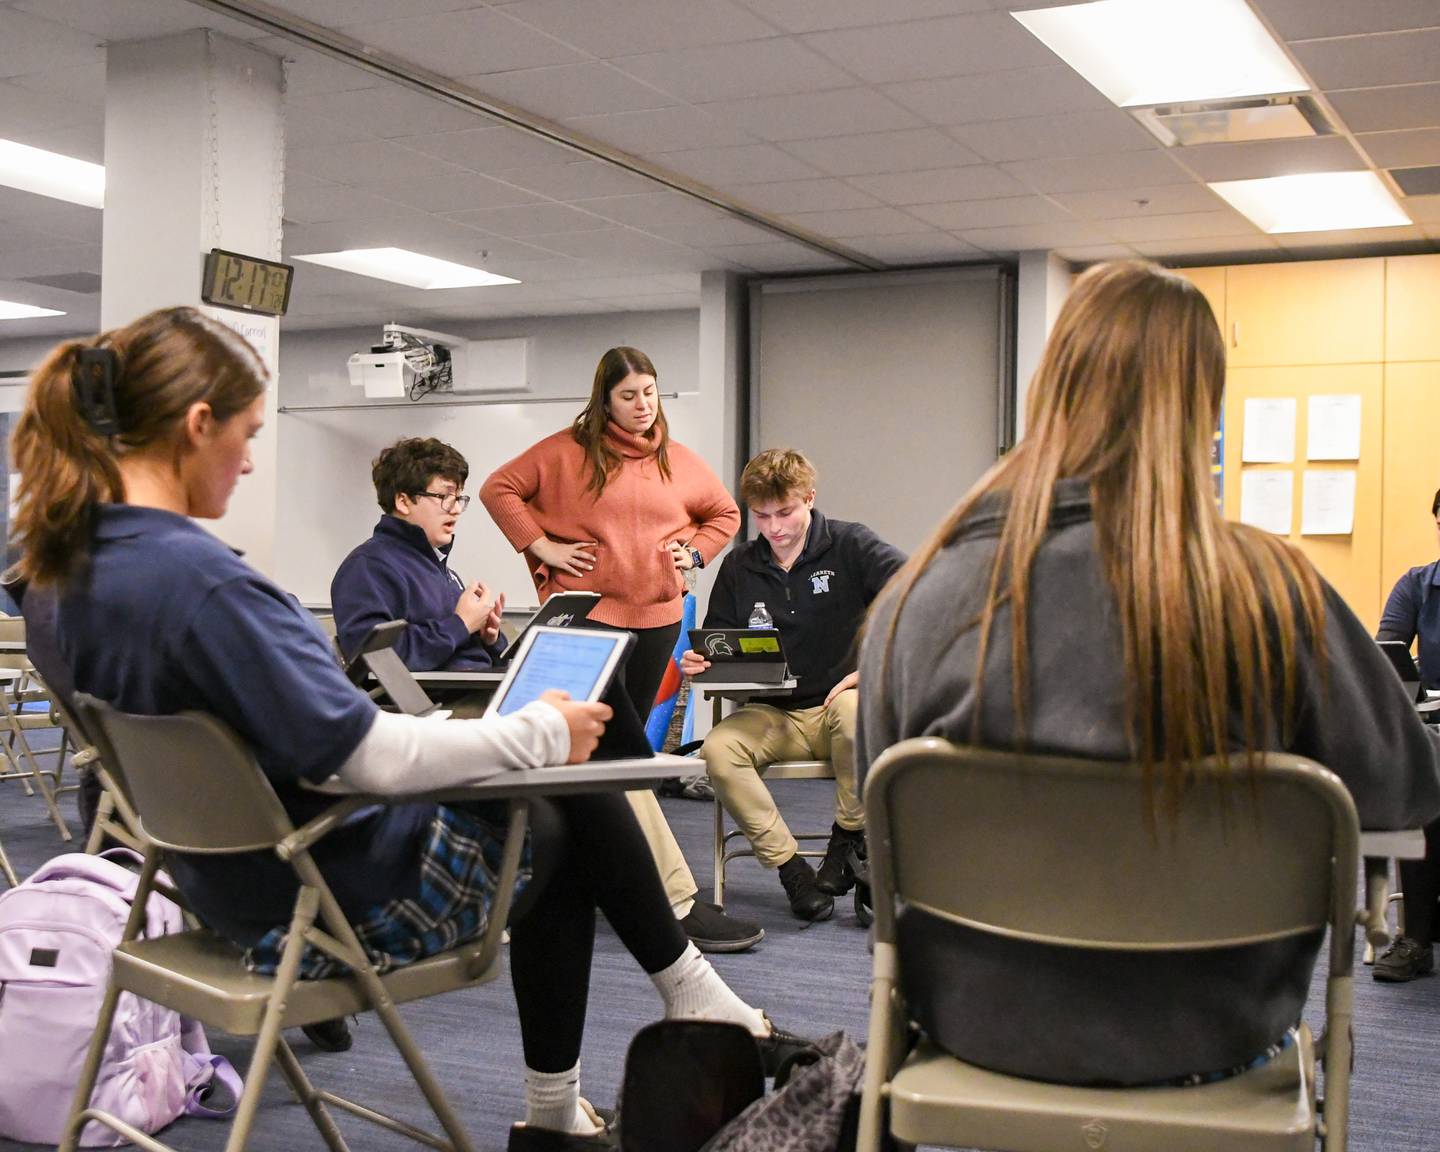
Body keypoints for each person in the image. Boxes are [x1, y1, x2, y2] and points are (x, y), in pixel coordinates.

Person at [11, 307, 801, 1151]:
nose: (248, 461)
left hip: (214, 893)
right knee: (566, 810)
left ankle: (580, 1098)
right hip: (329, 905)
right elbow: (372, 757)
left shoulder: (65, 577)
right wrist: (539, 733)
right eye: (245, 435)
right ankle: (651, 1036)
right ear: (195, 426)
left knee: (560, 810)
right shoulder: (207, 588)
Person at [858, 260, 1440, 1087]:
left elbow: (882, 832)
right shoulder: (1272, 590)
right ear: (1203, 406)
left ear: (1048, 389)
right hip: (1213, 1030)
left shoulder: (918, 599)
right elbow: (1402, 791)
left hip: (980, 1022)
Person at [335, 435, 763, 954]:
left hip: (475, 698)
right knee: (597, 744)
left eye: (460, 497)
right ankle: (673, 901)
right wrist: (457, 623)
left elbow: (449, 649)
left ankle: (657, 874)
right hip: (443, 716)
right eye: (444, 497)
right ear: (403, 501)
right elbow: (372, 663)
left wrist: (488, 639)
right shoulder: (369, 567)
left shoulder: (435, 565)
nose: (455, 510)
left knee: (599, 717)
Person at [481, 346, 758, 947]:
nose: (641, 406)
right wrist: (542, 547)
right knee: (610, 753)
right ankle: (662, 896)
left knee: (619, 757)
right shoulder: (565, 452)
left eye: (650, 393)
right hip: (591, 619)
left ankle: (607, 874)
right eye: (628, 395)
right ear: (604, 399)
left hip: (658, 617)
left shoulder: (677, 461)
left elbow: (724, 513)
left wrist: (695, 553)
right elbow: (499, 488)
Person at [679, 449, 904, 922]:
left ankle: (847, 841)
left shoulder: (850, 544)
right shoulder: (740, 565)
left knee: (854, 710)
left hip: (836, 703)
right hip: (771, 714)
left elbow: (917, 588)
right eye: (761, 516)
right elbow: (719, 641)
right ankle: (791, 868)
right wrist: (703, 662)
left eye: (785, 512)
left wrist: (875, 666)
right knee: (717, 750)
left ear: (809, 499)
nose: (775, 527)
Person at [1372, 487, 1440, 982]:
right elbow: (1388, 657)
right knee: (1421, 774)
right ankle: (1416, 938)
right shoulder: (1417, 585)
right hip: (1434, 729)